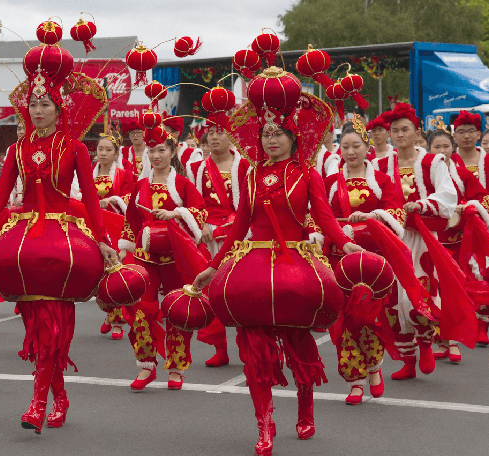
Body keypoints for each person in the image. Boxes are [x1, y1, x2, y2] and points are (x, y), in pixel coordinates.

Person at [193, 61, 363, 456]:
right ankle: (264, 423)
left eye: (278, 134)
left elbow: (323, 216)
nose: (271, 140)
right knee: (253, 349)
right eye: (265, 133)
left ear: (292, 136)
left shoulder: (307, 173)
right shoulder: (250, 175)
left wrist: (345, 244)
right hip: (252, 266)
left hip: (296, 266)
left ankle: (306, 407)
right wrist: (212, 267)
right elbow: (239, 224)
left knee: (299, 343)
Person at [0, 41, 118, 433]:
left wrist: (101, 239)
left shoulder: (76, 148)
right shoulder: (16, 149)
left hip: (63, 245)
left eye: (46, 104)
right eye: (33, 104)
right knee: (39, 327)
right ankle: (58, 396)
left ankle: (38, 402)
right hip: (25, 243)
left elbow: (92, 200)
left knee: (54, 328)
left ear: (59, 109)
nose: (39, 110)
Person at [374, 103, 471, 380]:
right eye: (395, 130)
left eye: (405, 129)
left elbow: (447, 195)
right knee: (393, 301)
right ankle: (408, 361)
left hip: (423, 238)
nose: (399, 135)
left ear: (416, 133)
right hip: (392, 238)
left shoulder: (432, 162)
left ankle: (426, 344)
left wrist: (423, 205)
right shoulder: (380, 165)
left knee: (419, 296)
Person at [323, 117, 416, 404]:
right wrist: (321, 233)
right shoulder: (329, 182)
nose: (350, 152)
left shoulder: (383, 180)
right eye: (345, 146)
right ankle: (355, 381)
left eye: (356, 146)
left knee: (370, 317)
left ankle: (374, 368)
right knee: (343, 321)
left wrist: (374, 216)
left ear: (367, 148)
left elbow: (397, 214)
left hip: (374, 263)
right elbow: (319, 217)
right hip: (340, 258)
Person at [117, 134, 208, 391]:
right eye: (152, 151)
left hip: (174, 258)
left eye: (160, 150)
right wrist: (124, 248)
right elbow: (131, 220)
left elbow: (200, 214)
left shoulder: (182, 185)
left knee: (176, 310)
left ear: (172, 152)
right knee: (141, 310)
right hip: (145, 258)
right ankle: (146, 364)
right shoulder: (140, 184)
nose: (156, 156)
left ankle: (176, 367)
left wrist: (176, 213)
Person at [187, 108, 251, 367]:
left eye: (220, 132)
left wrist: (237, 226)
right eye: (210, 133)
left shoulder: (245, 166)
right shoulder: (195, 168)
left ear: (232, 137)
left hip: (238, 235)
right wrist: (198, 224)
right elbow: (192, 202)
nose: (214, 138)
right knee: (211, 290)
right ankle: (220, 347)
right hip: (208, 235)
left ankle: (248, 345)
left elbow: (248, 204)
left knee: (241, 291)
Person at [426, 127, 489, 362]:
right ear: (429, 149)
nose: (442, 151)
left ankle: (454, 342)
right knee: (435, 292)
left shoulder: (463, 174)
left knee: (456, 291)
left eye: (446, 146)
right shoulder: (423, 173)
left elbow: (484, 197)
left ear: (452, 147)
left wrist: (470, 206)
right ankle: (440, 341)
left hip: (458, 243)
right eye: (437, 147)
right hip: (430, 242)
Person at [93, 127, 136, 341]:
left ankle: (117, 319)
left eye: (108, 150)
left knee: (115, 271)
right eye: (100, 149)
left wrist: (112, 201)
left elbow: (130, 199)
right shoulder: (89, 171)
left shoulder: (124, 175)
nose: (103, 153)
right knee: (99, 273)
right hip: (95, 226)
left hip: (116, 226)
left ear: (116, 153)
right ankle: (110, 313)